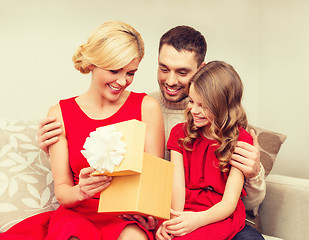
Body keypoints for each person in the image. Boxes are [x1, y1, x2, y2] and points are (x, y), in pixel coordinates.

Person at [37, 25, 265, 238]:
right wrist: (52, 151)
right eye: (164, 69)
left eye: (182, 72)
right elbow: (66, 187)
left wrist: (254, 173)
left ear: (201, 71)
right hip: (102, 212)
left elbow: (244, 200)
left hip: (208, 216)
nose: (171, 80)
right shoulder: (154, 109)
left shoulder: (225, 122)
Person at [3, 21, 164, 240]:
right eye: (114, 70)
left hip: (124, 217)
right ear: (92, 64)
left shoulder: (147, 107)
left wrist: (146, 211)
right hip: (78, 214)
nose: (122, 81)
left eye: (130, 73)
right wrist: (82, 190)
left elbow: (152, 184)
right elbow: (63, 192)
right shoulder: (60, 113)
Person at [156, 61, 257, 240]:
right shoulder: (179, 132)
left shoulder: (240, 139)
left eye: (203, 105)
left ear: (223, 105)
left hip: (218, 215)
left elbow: (229, 203)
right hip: (185, 210)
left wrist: (197, 220)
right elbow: (176, 188)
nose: (194, 110)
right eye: (192, 101)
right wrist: (173, 222)